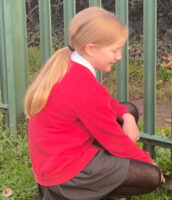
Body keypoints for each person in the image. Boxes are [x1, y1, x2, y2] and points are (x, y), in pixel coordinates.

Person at [25, 7, 162, 200]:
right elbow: (115, 141)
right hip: (63, 175)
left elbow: (105, 102)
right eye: (114, 50)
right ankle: (85, 192)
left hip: (57, 158)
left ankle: (103, 185)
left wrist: (127, 116)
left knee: (128, 109)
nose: (119, 56)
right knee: (150, 176)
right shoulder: (83, 86)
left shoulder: (71, 63)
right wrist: (150, 164)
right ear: (91, 48)